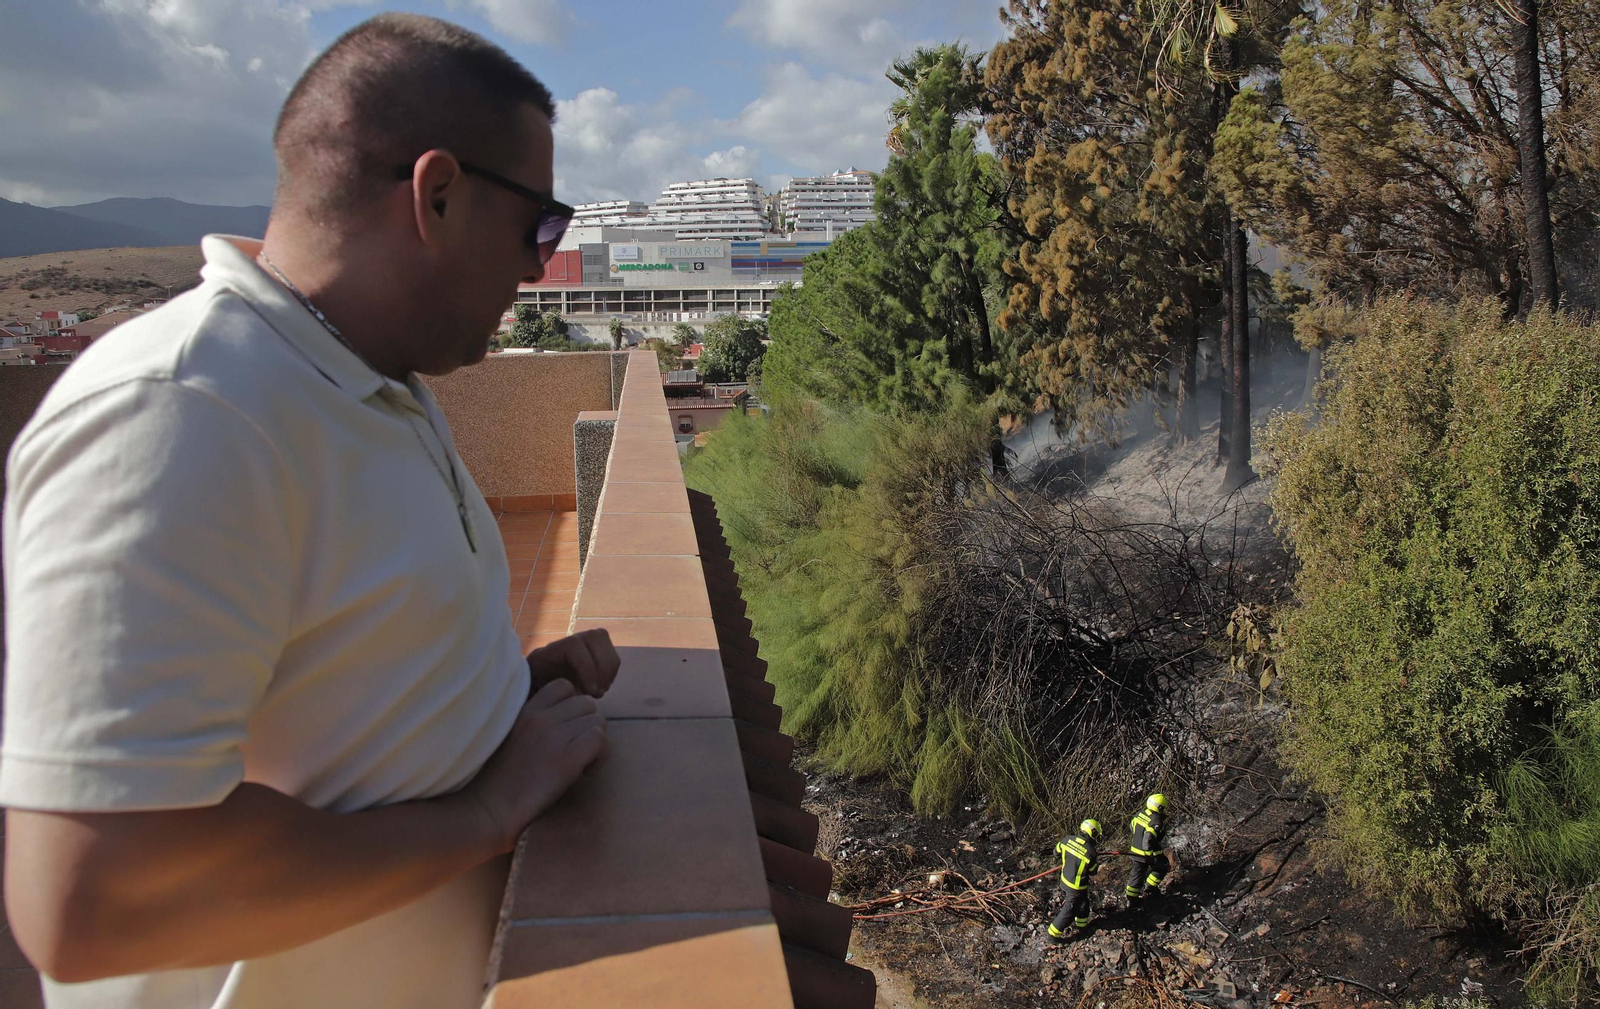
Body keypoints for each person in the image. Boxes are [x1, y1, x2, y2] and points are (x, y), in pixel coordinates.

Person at [1, 14, 611, 1009]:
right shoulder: (186, 409)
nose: (539, 265)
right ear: (438, 195)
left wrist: (501, 696)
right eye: (539, 224)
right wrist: (487, 811)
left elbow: (328, 687)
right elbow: (93, 899)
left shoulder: (368, 376)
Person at [1047, 818, 1102, 941]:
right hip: (1076, 886)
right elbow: (1093, 871)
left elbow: (1056, 852)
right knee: (1070, 909)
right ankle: (1052, 934)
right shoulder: (1090, 852)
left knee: (1083, 902)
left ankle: (1081, 925)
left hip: (1065, 879)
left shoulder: (1067, 840)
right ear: (1092, 833)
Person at [1125, 793, 1170, 901]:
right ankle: (1149, 889)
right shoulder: (1155, 820)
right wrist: (1148, 854)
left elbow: (1132, 827)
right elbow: (1148, 839)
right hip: (1145, 853)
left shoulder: (1140, 813)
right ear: (1160, 807)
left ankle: (1131, 899)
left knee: (1137, 875)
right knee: (1162, 866)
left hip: (1134, 851)